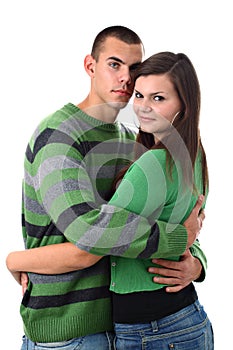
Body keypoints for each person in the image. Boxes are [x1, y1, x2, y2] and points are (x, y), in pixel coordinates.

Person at [6, 26, 206, 350]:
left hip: (123, 328)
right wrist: (14, 259)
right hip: (68, 332)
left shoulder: (132, 140)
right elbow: (88, 234)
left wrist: (194, 262)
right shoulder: (60, 136)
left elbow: (182, 209)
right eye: (114, 65)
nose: (126, 78)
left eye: (134, 68)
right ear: (90, 66)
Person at [106, 51, 213, 349]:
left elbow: (101, 235)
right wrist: (197, 264)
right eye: (139, 95)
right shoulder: (195, 155)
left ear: (184, 104)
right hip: (183, 322)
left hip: (154, 330)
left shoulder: (154, 163)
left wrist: (23, 261)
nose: (143, 108)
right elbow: (190, 230)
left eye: (158, 98)